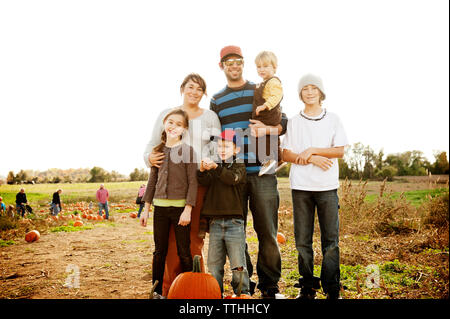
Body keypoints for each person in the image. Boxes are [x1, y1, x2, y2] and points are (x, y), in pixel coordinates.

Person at [210, 45, 288, 298]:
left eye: (238, 61)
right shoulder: (217, 100)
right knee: (237, 231)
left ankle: (269, 286)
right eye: (228, 62)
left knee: (267, 231)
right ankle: (244, 285)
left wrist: (269, 131)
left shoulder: (259, 89)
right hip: (234, 176)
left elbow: (282, 121)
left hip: (262, 171)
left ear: (243, 64)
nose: (234, 66)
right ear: (221, 66)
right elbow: (212, 135)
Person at [143, 73, 221, 296]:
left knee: (192, 239)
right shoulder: (167, 115)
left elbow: (217, 151)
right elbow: (152, 146)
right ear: (182, 89)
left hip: (197, 183)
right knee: (166, 244)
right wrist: (149, 158)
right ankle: (169, 288)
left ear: (204, 93)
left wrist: (209, 164)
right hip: (170, 186)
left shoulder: (210, 118)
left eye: (199, 89)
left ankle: (194, 288)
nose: (194, 92)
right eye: (190, 87)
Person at [281, 74, 349, 299]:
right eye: (305, 89)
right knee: (302, 240)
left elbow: (339, 150)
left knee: (331, 241)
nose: (309, 92)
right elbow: (286, 153)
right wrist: (310, 157)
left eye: (313, 88)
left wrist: (312, 150)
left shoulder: (333, 119)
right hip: (301, 187)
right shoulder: (293, 121)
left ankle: (331, 288)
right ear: (300, 94)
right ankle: (308, 287)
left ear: (321, 92)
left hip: (327, 187)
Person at [140, 108, 198, 299]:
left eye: (179, 124)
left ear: (184, 129)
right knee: (159, 251)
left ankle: (190, 288)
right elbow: (152, 182)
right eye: (171, 122)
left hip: (180, 209)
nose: (174, 126)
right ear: (164, 123)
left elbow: (192, 182)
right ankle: (156, 292)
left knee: (184, 251)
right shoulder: (158, 151)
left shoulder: (188, 151)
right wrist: (146, 209)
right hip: (160, 210)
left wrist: (188, 209)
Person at [197, 130, 249, 296]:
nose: (222, 149)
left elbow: (232, 179)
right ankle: (215, 293)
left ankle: (242, 293)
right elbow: (203, 180)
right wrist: (202, 170)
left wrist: (216, 168)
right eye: (220, 145)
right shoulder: (215, 165)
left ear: (236, 150)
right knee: (214, 264)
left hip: (234, 223)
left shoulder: (239, 165)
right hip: (215, 223)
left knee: (238, 263)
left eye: (226, 145)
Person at [252, 51, 283, 175]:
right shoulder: (262, 83)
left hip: (269, 114)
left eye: (265, 66)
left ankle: (268, 160)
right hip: (266, 114)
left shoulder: (274, 82)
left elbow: (276, 96)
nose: (261, 69)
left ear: (274, 67)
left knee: (264, 138)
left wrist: (265, 105)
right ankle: (279, 159)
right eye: (259, 67)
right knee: (271, 138)